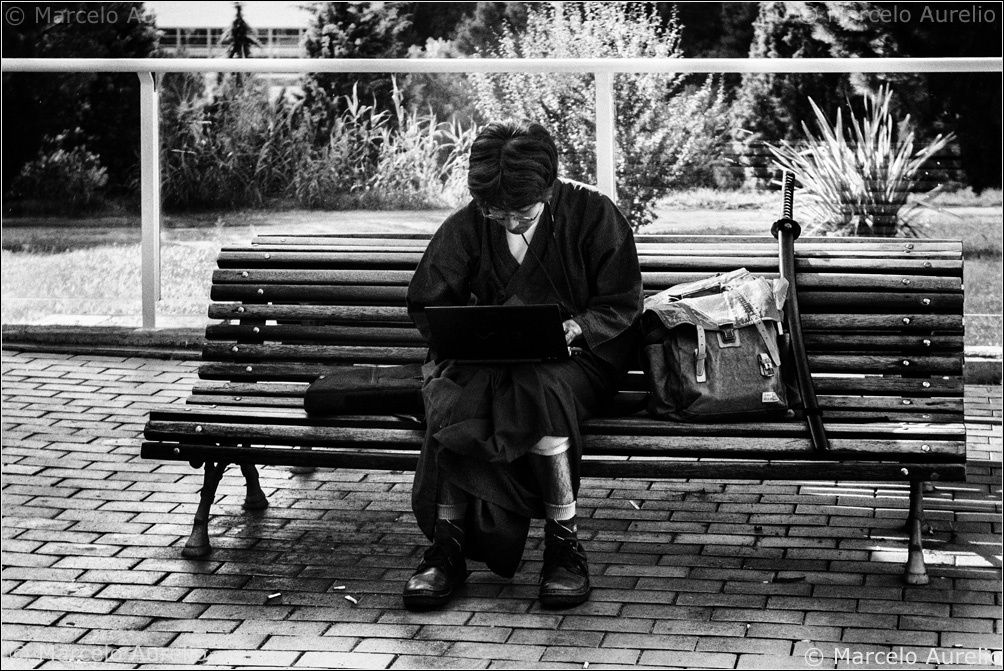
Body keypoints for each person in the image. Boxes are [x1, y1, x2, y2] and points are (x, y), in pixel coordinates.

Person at [403, 119, 643, 610]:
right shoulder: (469, 224)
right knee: (451, 394)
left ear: (549, 186)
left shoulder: (595, 214)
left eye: (522, 212)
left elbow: (622, 302)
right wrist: (471, 329)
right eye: (496, 213)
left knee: (541, 388)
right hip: (487, 363)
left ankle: (564, 545)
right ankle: (446, 547)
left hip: (579, 363)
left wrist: (577, 328)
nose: (509, 223)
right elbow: (428, 304)